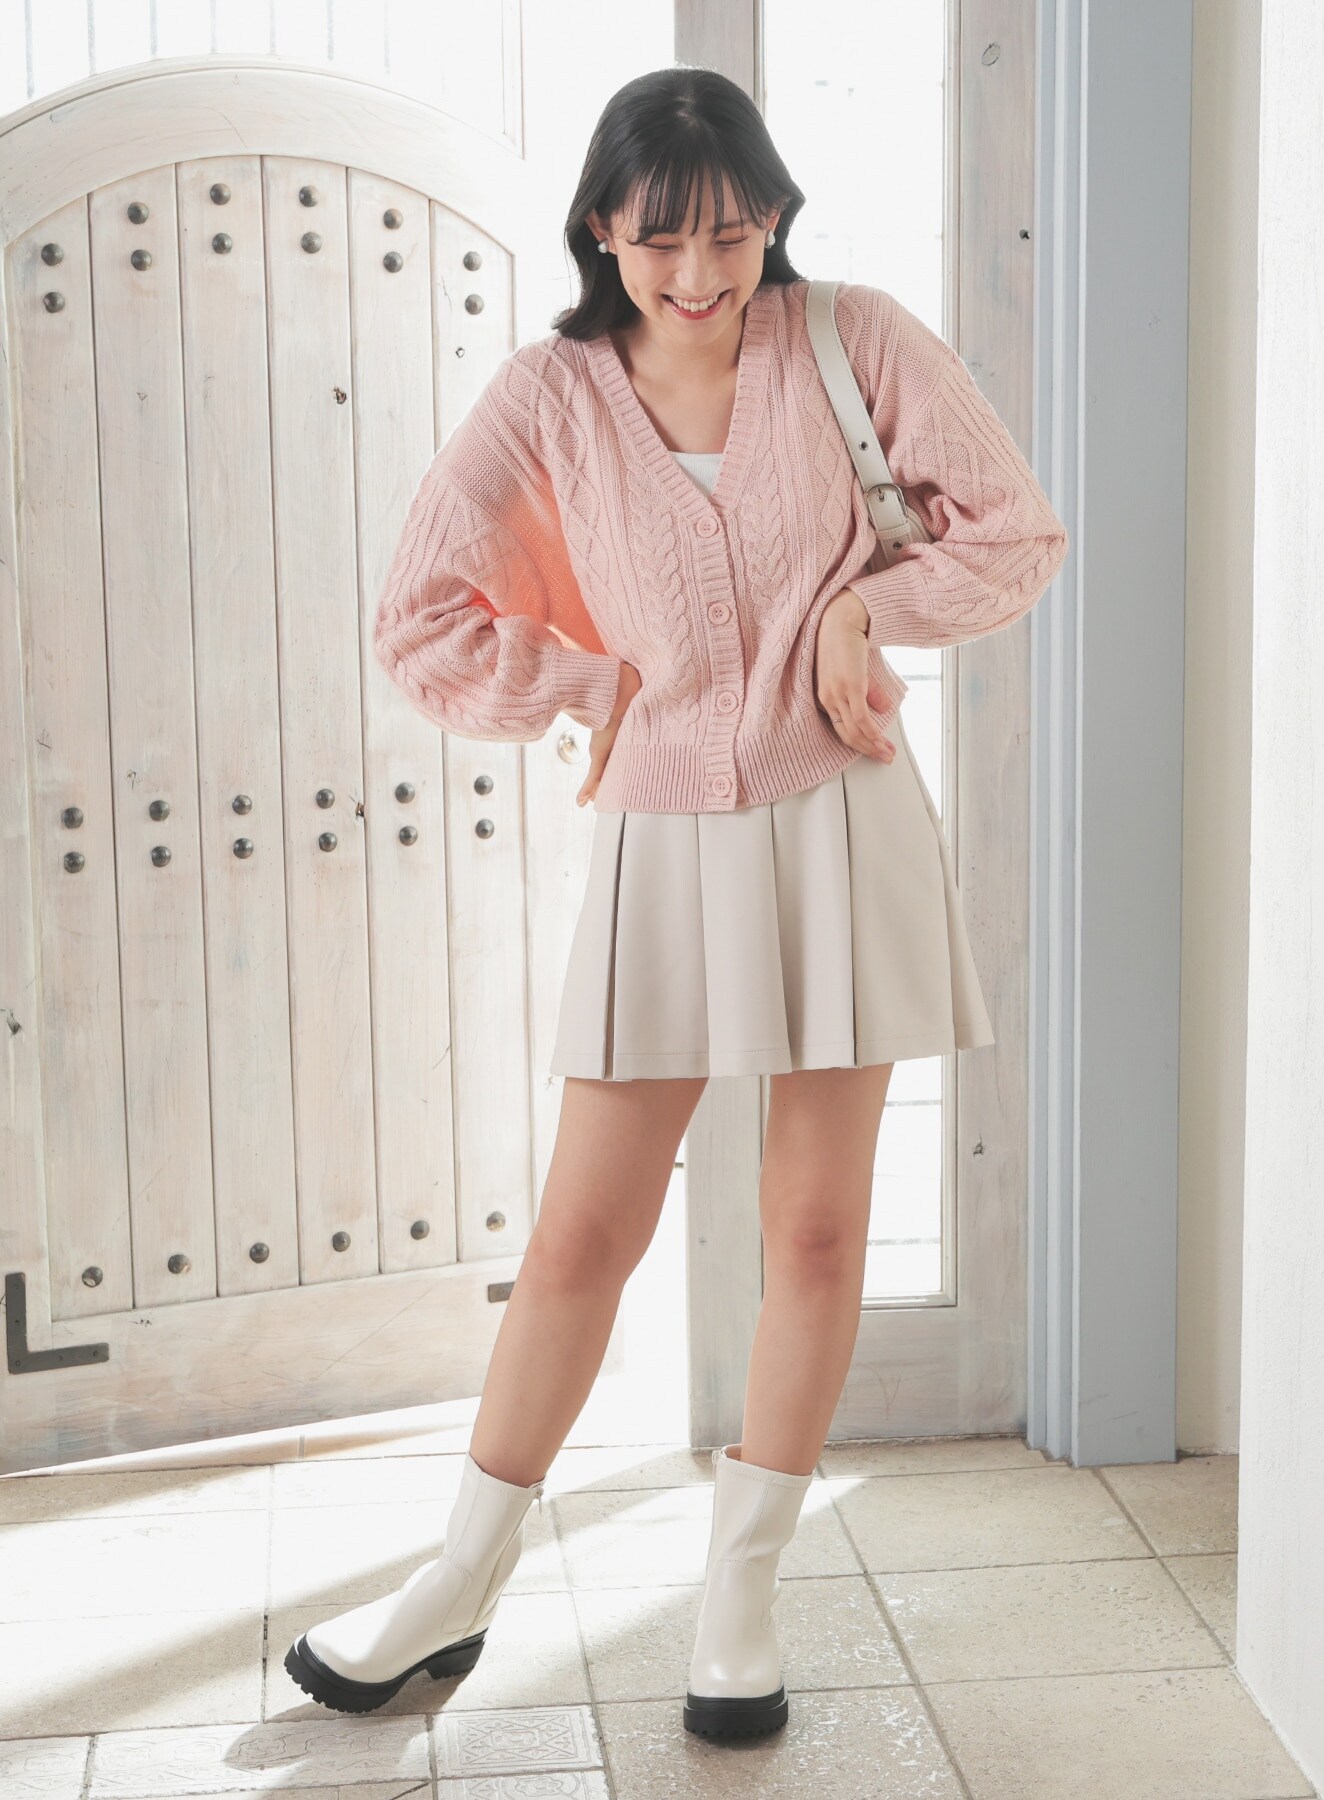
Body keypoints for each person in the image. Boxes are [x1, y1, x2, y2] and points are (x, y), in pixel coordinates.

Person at [285, 65, 1067, 1739]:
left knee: (818, 1229)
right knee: (584, 1231)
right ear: (602, 232)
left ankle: (740, 1597)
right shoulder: (550, 395)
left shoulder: (856, 341)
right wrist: (582, 681)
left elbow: (1016, 532)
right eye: (661, 245)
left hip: (840, 820)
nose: (701, 275)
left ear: (774, 217)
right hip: (660, 845)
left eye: (731, 235)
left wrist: (868, 611)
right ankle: (457, 1583)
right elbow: (420, 612)